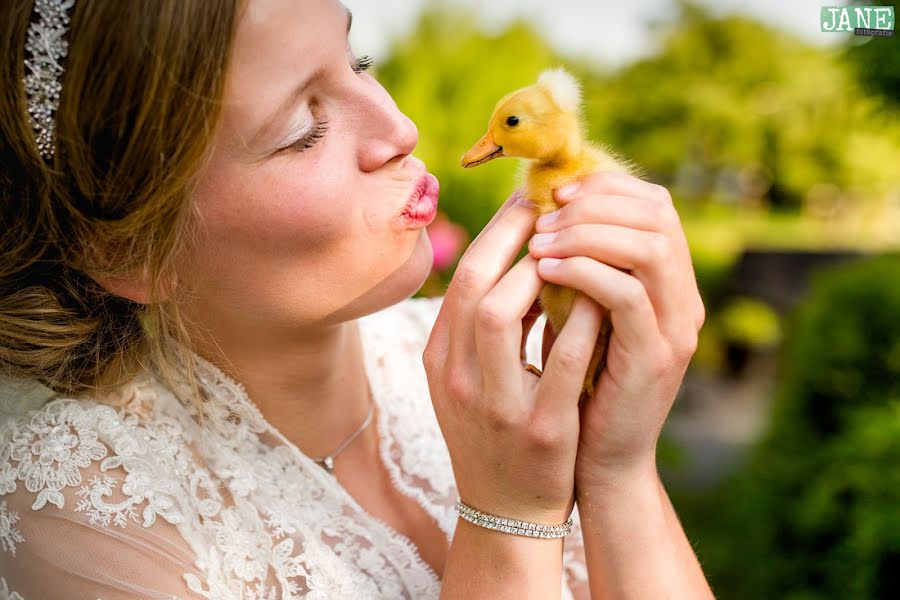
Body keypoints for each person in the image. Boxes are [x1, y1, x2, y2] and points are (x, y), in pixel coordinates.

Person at [0, 0, 713, 598]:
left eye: (358, 62)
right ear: (127, 249)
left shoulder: (496, 359)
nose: (398, 130)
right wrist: (510, 517)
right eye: (302, 130)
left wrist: (617, 466)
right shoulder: (82, 518)